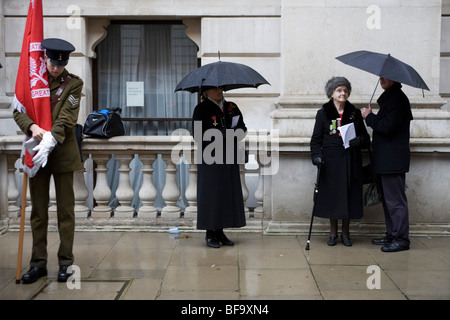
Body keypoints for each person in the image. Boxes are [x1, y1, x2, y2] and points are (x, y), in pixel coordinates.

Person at [13, 38, 84, 283]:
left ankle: (66, 263)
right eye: (53, 63)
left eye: (60, 64)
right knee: (38, 212)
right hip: (36, 152)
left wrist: (51, 139)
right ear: (45, 58)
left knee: (66, 212)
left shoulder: (74, 83)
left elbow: (67, 117)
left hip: (62, 152)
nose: (56, 68)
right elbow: (17, 110)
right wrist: (31, 126)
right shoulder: (33, 82)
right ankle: (38, 264)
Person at [310, 77, 370, 246]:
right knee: (333, 197)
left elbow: (366, 138)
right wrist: (316, 157)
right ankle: (333, 232)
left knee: (349, 197)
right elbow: (315, 140)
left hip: (351, 163)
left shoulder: (354, 113)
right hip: (331, 163)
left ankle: (346, 233)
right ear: (332, 93)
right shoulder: (323, 113)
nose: (342, 93)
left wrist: (360, 140)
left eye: (345, 90)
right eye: (339, 90)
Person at [361, 77, 412, 252]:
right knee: (388, 201)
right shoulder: (391, 98)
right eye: (380, 76)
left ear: (395, 79)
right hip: (386, 160)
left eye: (386, 76)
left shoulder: (397, 99)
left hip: (393, 161)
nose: (381, 79)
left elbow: (387, 127)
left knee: (395, 201)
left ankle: (401, 239)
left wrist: (369, 117)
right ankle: (392, 234)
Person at [192, 87, 247, 248]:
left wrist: (235, 132)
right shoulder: (201, 109)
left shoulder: (231, 107)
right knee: (211, 194)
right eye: (214, 89)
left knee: (225, 194)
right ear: (206, 92)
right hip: (210, 158)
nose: (219, 91)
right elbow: (197, 135)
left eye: (220, 88)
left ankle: (220, 231)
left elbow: (243, 128)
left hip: (229, 157)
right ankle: (210, 233)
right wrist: (221, 134)